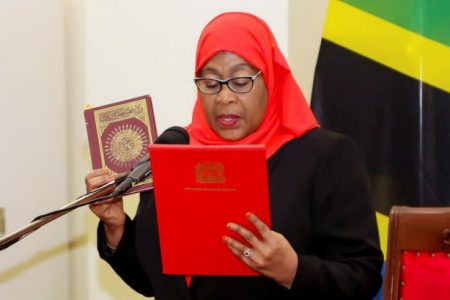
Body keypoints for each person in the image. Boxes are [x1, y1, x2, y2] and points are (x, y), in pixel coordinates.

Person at [86, 12, 383, 300]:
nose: (224, 98)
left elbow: (363, 276)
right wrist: (117, 226)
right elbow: (150, 281)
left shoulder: (324, 156)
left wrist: (293, 270)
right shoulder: (173, 151)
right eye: (211, 83)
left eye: (241, 82)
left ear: (270, 78)